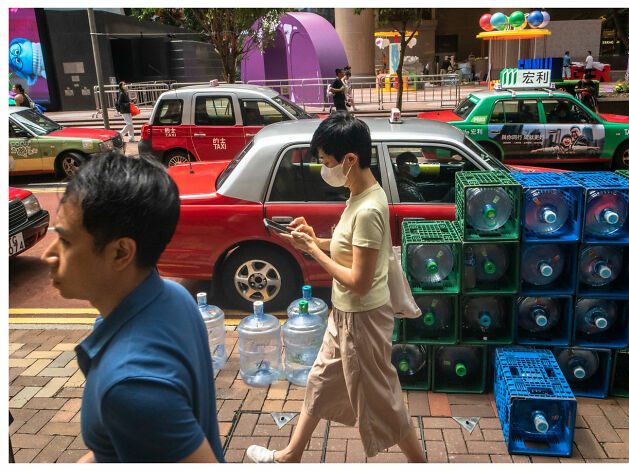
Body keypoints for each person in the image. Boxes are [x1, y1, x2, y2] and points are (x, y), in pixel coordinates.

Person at [246, 112, 426, 463]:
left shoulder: (369, 208)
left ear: (350, 160)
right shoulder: (358, 197)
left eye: (327, 162)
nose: (324, 168)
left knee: (382, 401)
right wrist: (318, 239)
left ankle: (421, 464)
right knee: (319, 381)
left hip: (362, 320)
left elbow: (359, 282)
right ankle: (290, 456)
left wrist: (312, 252)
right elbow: (351, 249)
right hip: (343, 317)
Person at [41, 151, 224, 463]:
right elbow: (113, 447)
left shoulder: (132, 385)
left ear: (120, 253)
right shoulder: (173, 297)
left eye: (67, 241)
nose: (49, 255)